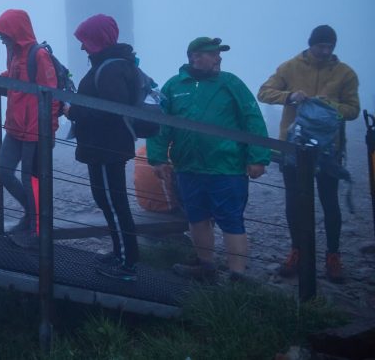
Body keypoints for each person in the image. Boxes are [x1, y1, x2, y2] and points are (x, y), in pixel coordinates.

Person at [147, 37, 271, 282]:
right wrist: (157, 158)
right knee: (196, 216)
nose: (218, 58)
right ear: (194, 57)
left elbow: (252, 117)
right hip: (188, 166)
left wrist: (259, 157)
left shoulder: (231, 83)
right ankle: (206, 266)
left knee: (231, 219)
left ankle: (238, 275)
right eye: (211, 54)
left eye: (218, 54)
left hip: (227, 167)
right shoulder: (173, 86)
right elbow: (161, 123)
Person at [257, 25, 360, 283]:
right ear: (311, 44)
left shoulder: (345, 73)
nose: (325, 51)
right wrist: (290, 96)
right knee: (294, 202)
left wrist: (330, 106)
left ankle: (333, 257)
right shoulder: (290, 67)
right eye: (321, 46)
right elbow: (264, 92)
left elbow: (353, 110)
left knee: (330, 203)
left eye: (330, 47)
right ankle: (297, 252)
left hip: (328, 150)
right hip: (292, 147)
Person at [64, 14, 141, 281]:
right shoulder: (108, 65)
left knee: (113, 201)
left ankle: (127, 263)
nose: (83, 47)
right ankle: (121, 252)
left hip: (108, 147)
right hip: (103, 146)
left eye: (85, 41)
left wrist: (73, 111)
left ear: (98, 39)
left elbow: (111, 112)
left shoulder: (110, 69)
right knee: (107, 200)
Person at [0, 9, 60, 235]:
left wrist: (49, 130)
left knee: (30, 181)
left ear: (16, 31)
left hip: (34, 130)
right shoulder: (13, 53)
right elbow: (13, 77)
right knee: (3, 172)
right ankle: (32, 215)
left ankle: (36, 228)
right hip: (14, 127)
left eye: (4, 34)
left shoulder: (38, 55)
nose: (1, 38)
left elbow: (51, 94)